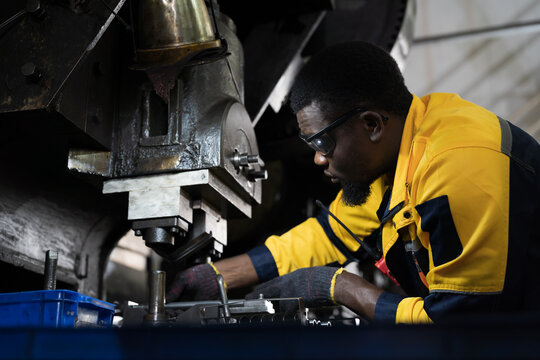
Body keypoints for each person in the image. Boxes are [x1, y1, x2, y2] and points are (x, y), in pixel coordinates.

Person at [166, 41, 540, 324]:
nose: (318, 158)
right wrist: (218, 276)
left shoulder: (458, 171)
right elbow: (328, 235)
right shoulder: (399, 151)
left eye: (323, 142)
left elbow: (458, 324)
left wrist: (340, 287)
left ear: (372, 124)